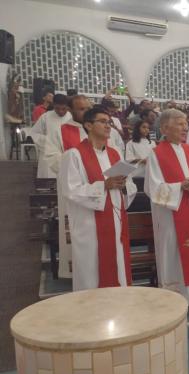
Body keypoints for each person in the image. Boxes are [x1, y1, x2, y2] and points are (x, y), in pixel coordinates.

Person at [60, 106, 137, 290]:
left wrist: (125, 184)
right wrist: (104, 185)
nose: (108, 126)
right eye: (102, 121)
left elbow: (131, 186)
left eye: (109, 122)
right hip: (90, 228)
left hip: (116, 222)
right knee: (92, 272)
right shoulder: (73, 155)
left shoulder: (115, 153)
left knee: (117, 265)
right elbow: (71, 190)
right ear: (88, 125)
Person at [145, 109, 189, 312]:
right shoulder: (156, 153)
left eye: (185, 123)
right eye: (180, 123)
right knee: (173, 253)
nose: (185, 127)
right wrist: (180, 187)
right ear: (165, 128)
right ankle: (174, 297)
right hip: (170, 215)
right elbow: (152, 187)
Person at [47, 95, 92, 279]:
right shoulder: (60, 130)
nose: (85, 112)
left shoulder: (96, 129)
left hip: (95, 187)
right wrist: (77, 166)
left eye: (87, 108)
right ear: (71, 110)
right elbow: (51, 157)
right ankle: (77, 274)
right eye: (81, 109)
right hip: (72, 188)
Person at [30, 93, 72, 178]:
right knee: (49, 180)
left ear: (67, 106)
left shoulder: (72, 117)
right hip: (49, 154)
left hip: (67, 154)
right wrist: (47, 142)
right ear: (53, 105)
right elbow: (34, 133)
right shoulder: (46, 117)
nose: (61, 111)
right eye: (57, 108)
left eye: (64, 109)